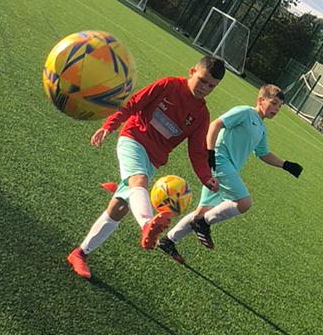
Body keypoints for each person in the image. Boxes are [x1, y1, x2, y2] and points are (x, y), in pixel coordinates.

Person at [66, 57, 224, 280]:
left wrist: (207, 178)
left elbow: (197, 152)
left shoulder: (201, 114)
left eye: (211, 86)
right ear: (192, 72)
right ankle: (147, 224)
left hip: (153, 159)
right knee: (138, 180)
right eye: (202, 80)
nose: (205, 88)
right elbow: (133, 104)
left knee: (119, 207)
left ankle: (79, 254)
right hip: (133, 139)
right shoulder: (168, 85)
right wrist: (109, 126)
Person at [159, 83, 302, 261]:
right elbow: (216, 124)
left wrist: (286, 165)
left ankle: (167, 241)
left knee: (202, 210)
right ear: (260, 100)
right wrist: (210, 152)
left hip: (228, 167)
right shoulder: (245, 112)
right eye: (273, 103)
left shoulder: (262, 128)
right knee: (244, 202)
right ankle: (202, 223)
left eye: (279, 106)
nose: (276, 109)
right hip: (219, 161)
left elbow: (263, 153)